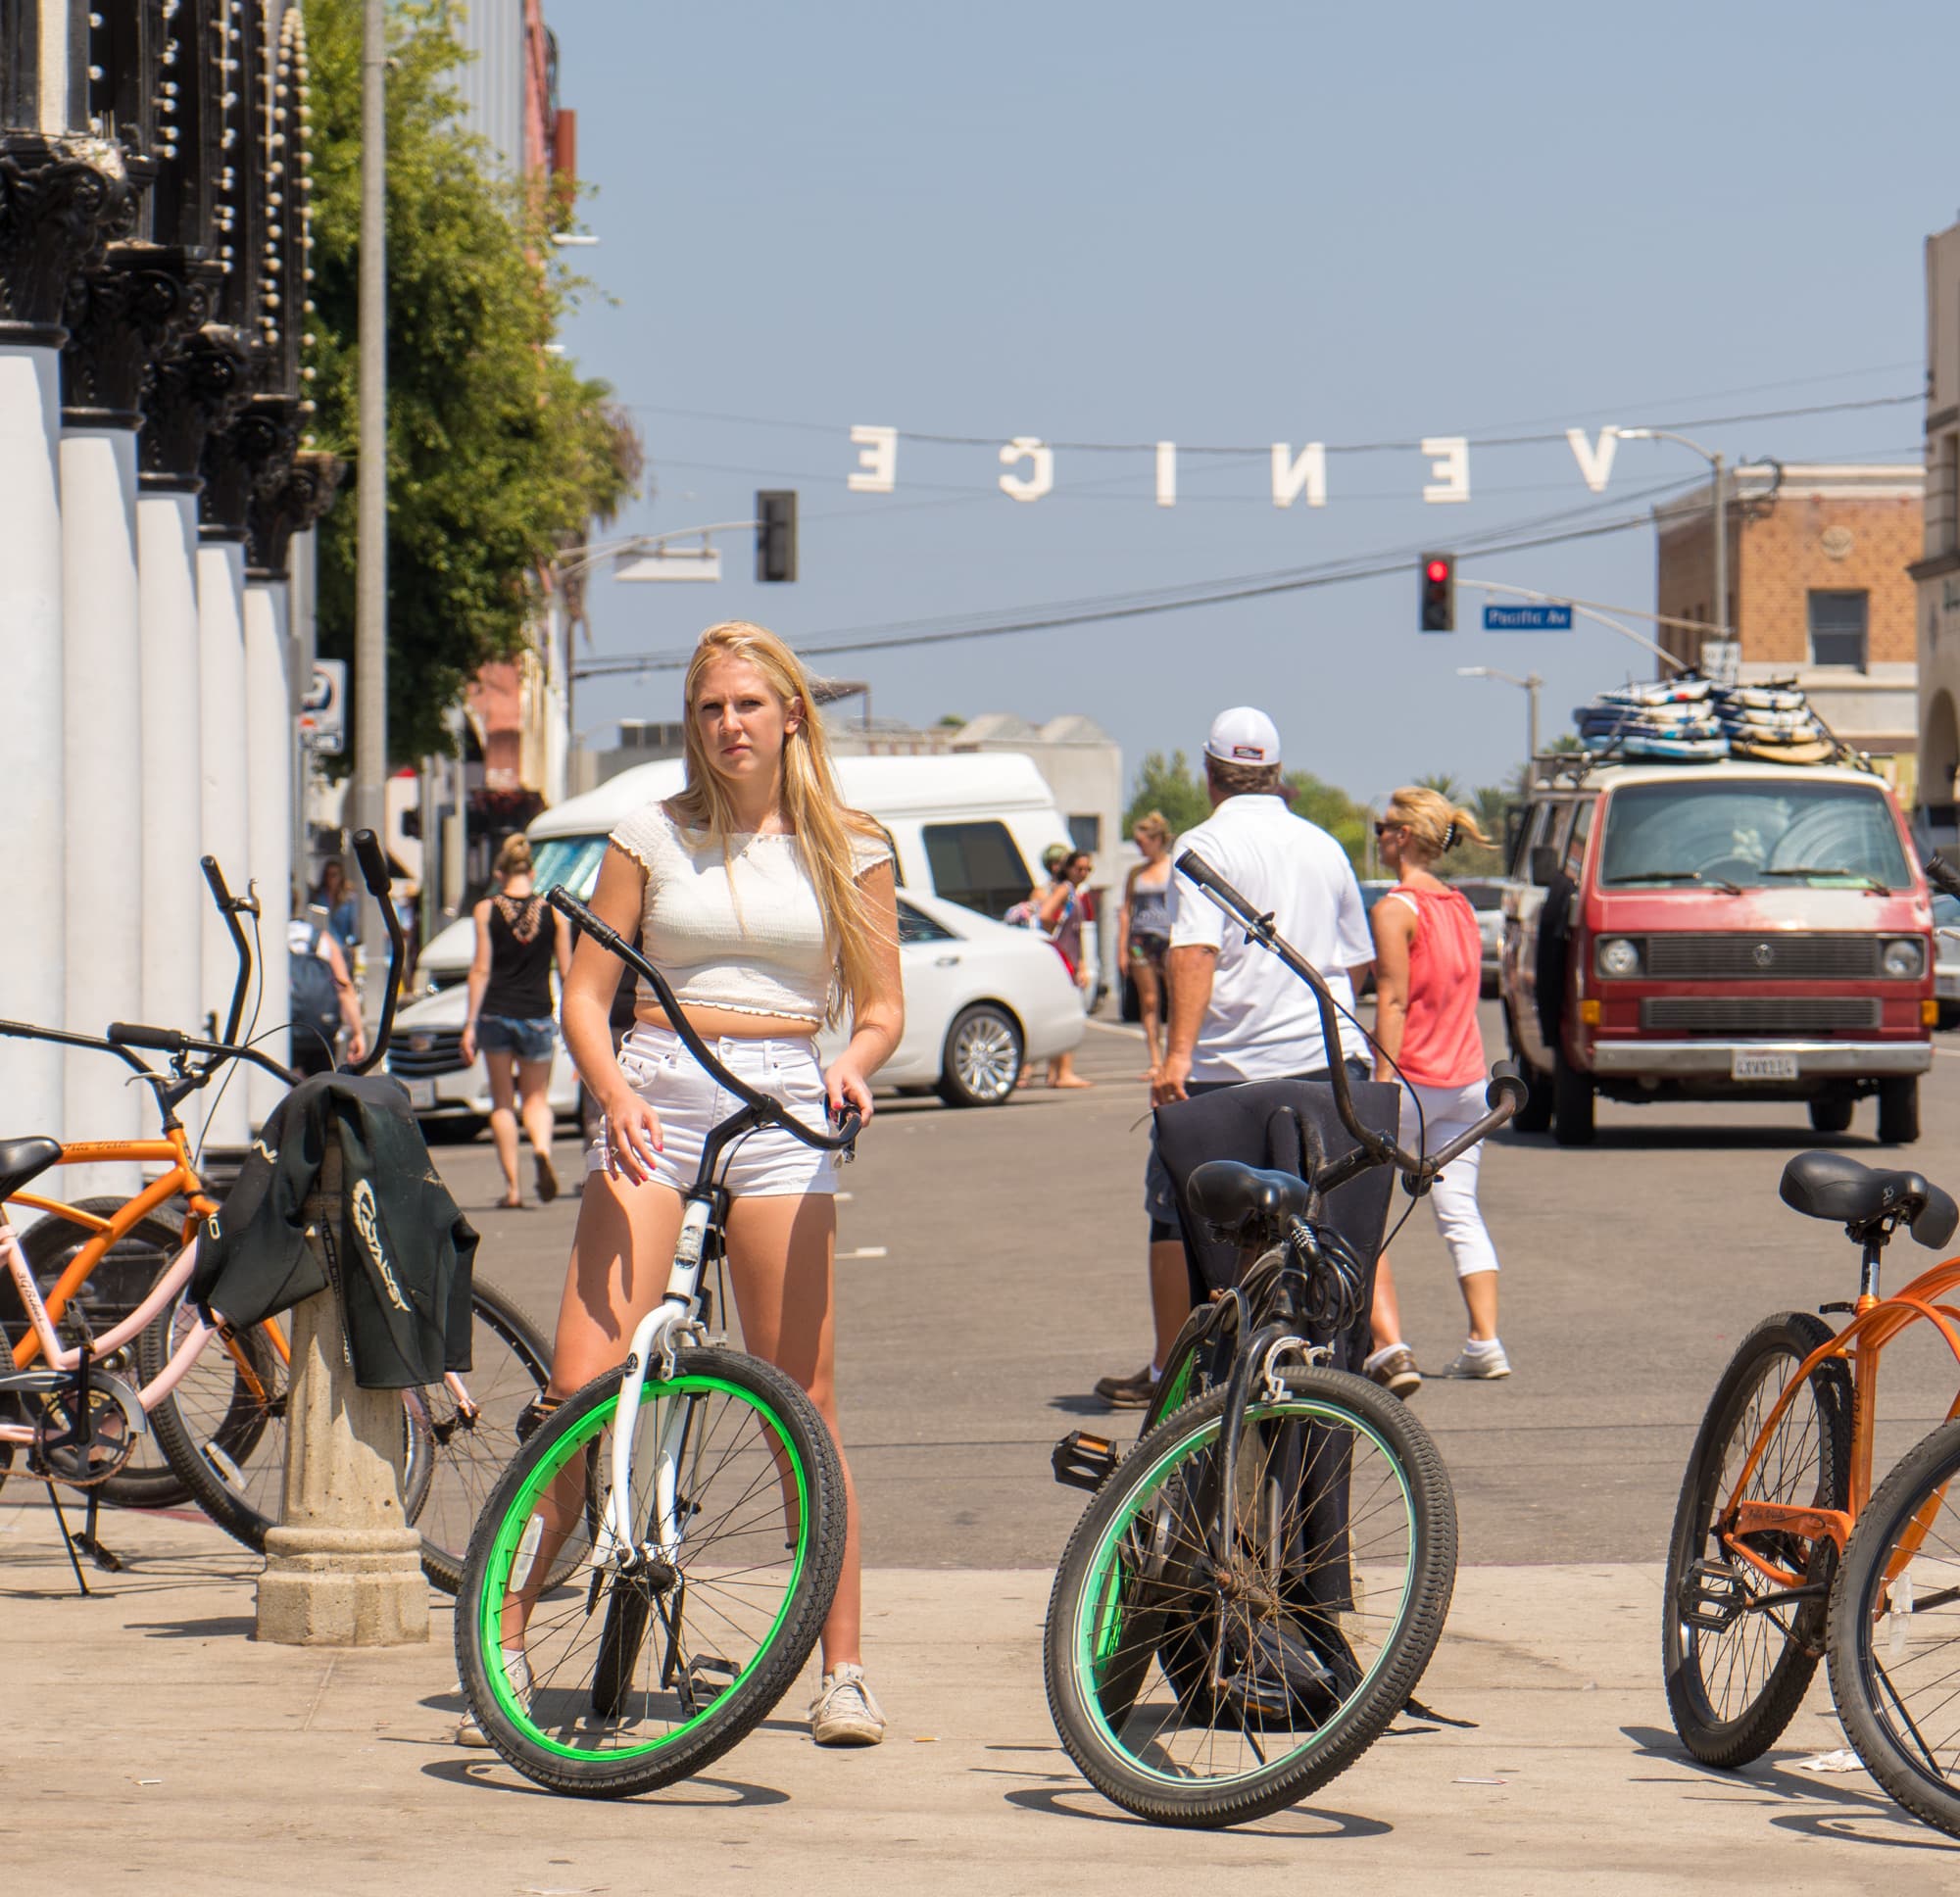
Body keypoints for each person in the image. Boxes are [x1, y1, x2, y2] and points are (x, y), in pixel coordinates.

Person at [477, 619, 904, 1750]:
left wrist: (850, 1069)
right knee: (583, 1394)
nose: (728, 726)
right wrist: (611, 1085)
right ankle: (503, 1644)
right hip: (658, 1085)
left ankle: (843, 1670)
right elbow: (584, 992)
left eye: (749, 706)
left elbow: (879, 1010)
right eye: (710, 708)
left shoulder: (852, 846)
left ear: (790, 715)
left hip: (781, 1102)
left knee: (798, 1401)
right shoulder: (646, 832)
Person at [1094, 708, 1375, 1409]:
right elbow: (1357, 963)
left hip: (1229, 1071)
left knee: (1173, 1210)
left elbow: (1192, 951)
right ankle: (1333, 1371)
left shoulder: (1205, 841)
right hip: (1326, 1068)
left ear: (1211, 773)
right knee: (1326, 1223)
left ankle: (1169, 1373)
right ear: (1277, 772)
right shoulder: (1322, 845)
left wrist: (1176, 1061)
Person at [1363, 787, 1508, 1390]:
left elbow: (1393, 999)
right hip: (1467, 1081)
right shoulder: (1461, 906)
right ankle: (1485, 1341)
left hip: (1412, 1080)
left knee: (1361, 1214)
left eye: (1381, 827)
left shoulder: (1396, 909)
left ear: (1401, 837)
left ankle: (1389, 1346)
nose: (1377, 837)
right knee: (1460, 1212)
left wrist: (1379, 1078)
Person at [461, 835, 573, 1209]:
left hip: (496, 1012)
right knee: (537, 1099)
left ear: (499, 872)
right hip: (538, 1012)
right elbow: (567, 969)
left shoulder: (485, 909)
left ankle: (513, 1189)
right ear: (533, 870)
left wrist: (470, 1024)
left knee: (503, 1104)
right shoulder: (553, 910)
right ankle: (541, 1148)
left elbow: (480, 969)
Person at [1118, 812, 1174, 1076]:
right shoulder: (1135, 873)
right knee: (1149, 1000)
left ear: (1157, 840)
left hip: (1169, 938)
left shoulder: (1172, 868)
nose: (1139, 848)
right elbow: (1126, 910)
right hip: (1140, 940)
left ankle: (1175, 1056)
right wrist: (1121, 948)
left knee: (1174, 998)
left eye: (1142, 842)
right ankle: (1155, 1060)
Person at [288, 892, 367, 1077]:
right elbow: (344, 986)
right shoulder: (321, 939)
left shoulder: (268, 940)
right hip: (321, 1030)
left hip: (284, 1029)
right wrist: (357, 1032)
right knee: (321, 1086)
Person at [313, 855, 359, 954]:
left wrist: (352, 946)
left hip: (341, 948)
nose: (330, 879)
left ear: (341, 876)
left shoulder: (348, 901)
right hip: (322, 949)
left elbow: (353, 926)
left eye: (334, 875)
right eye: (327, 875)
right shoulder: (318, 898)